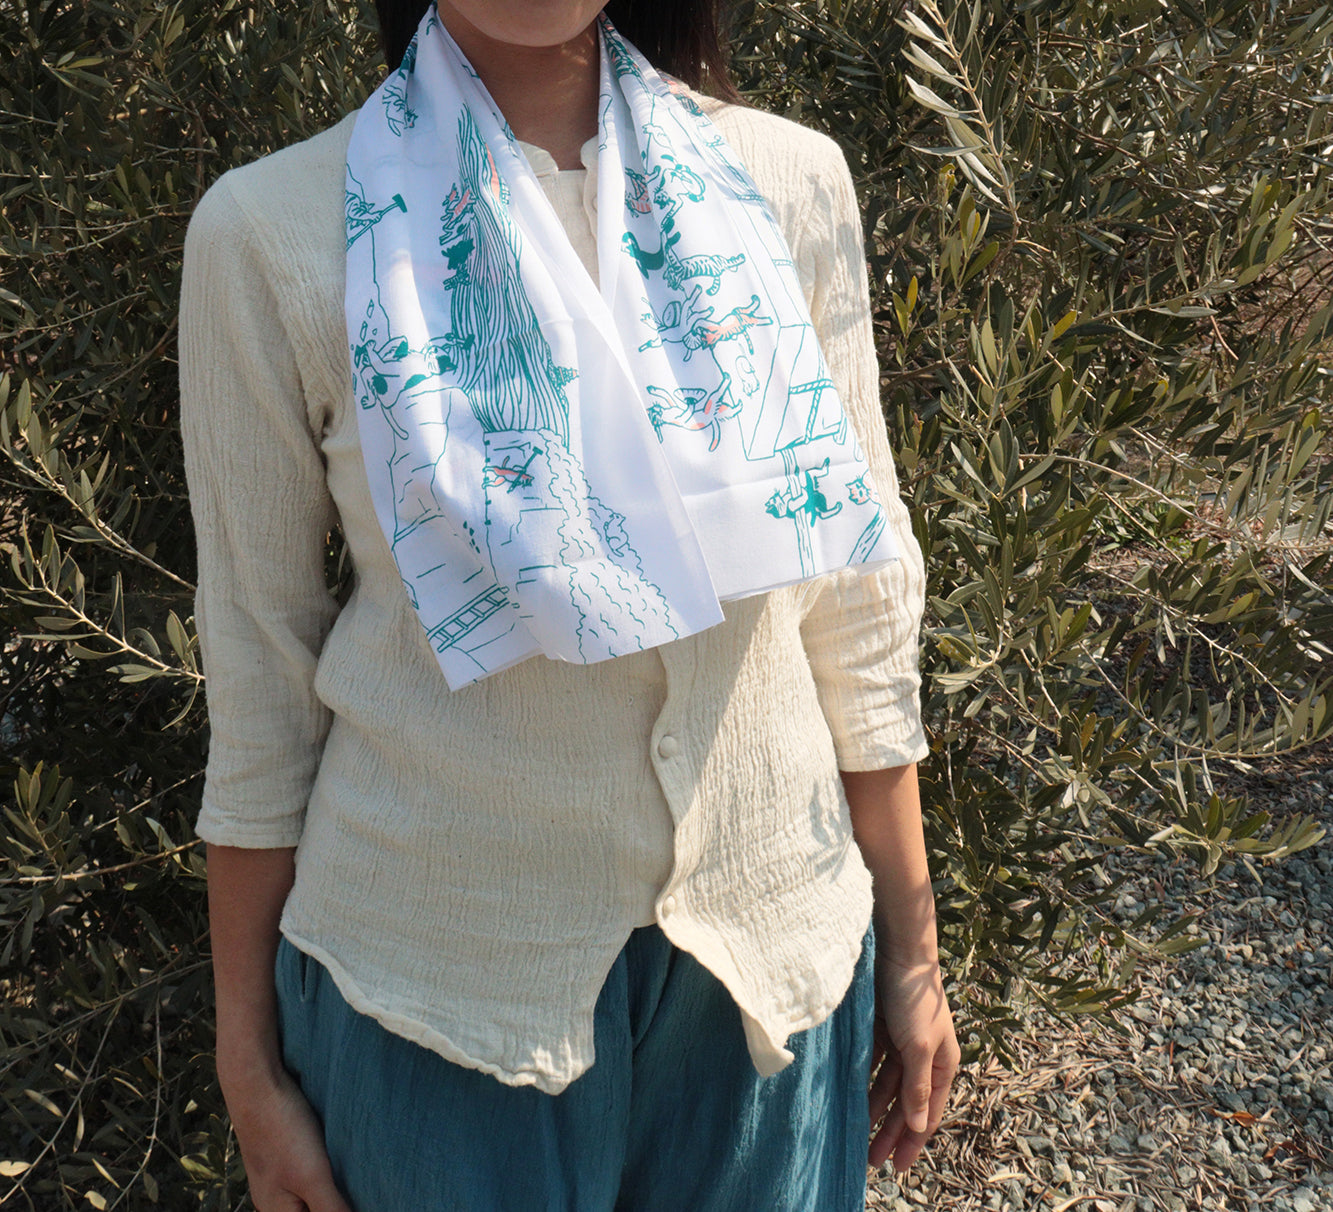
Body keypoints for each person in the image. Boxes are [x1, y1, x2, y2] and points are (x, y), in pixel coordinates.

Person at [179, 1, 960, 1209]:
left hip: (775, 965)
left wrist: (912, 950)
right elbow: (258, 671)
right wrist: (246, 1061)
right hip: (430, 993)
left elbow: (857, 601)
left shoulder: (788, 182)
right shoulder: (273, 229)